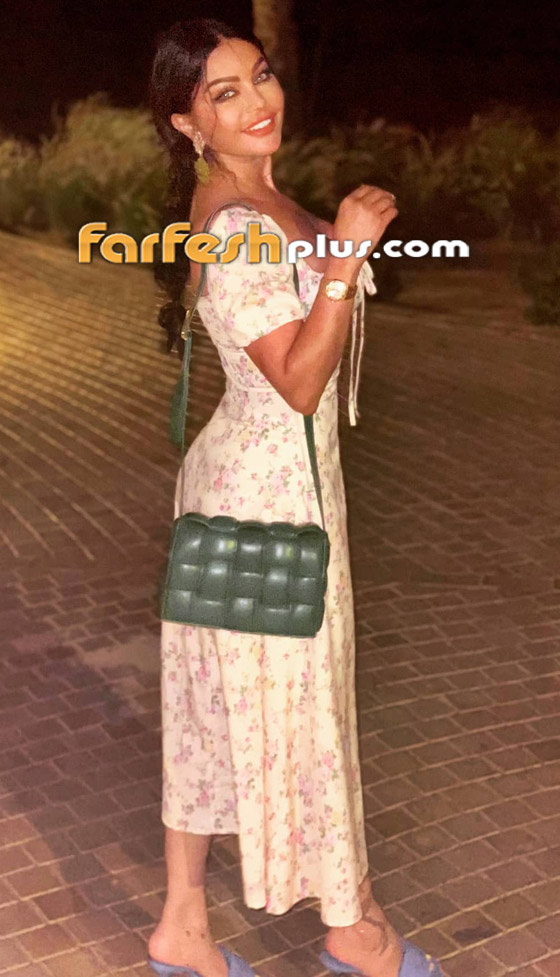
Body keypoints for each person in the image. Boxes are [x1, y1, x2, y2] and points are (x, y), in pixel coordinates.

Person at [147, 17, 442, 977]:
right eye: (224, 93)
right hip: (268, 498)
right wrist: (346, 256)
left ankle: (182, 928)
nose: (258, 100)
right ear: (187, 123)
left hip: (265, 483)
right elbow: (301, 382)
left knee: (215, 702)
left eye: (261, 75)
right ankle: (353, 929)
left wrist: (337, 249)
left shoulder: (261, 198)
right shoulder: (235, 224)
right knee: (298, 709)